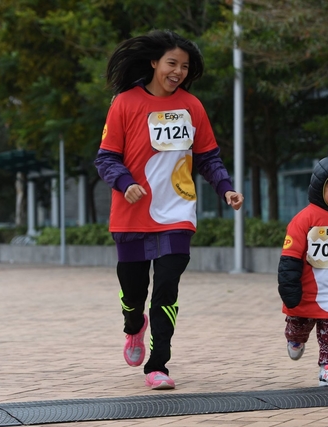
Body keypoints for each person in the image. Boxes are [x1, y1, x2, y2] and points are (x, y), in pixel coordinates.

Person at [94, 29, 244, 390]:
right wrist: (125, 182)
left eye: (184, 66)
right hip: (131, 212)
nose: (177, 71)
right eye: (171, 63)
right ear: (154, 63)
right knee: (134, 294)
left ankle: (157, 364)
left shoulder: (192, 106)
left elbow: (208, 156)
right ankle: (134, 326)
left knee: (166, 289)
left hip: (178, 212)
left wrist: (226, 188)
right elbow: (106, 157)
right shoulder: (125, 102)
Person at [277, 156, 328, 387]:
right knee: (299, 324)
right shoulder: (304, 219)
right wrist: (289, 289)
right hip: (307, 290)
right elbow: (290, 257)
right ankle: (295, 338)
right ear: (319, 188)